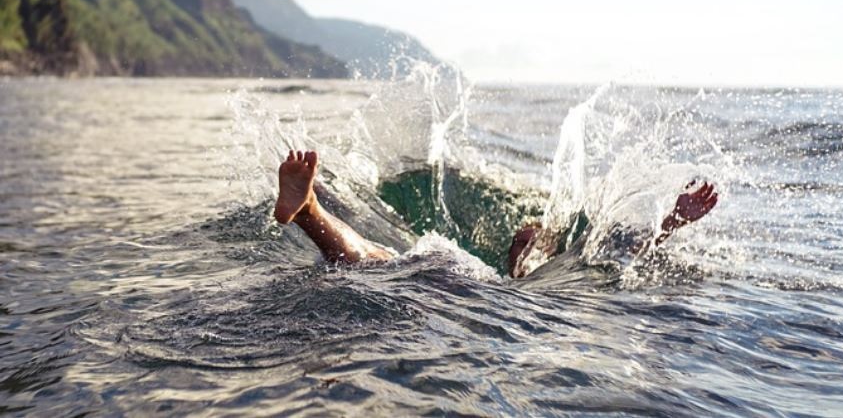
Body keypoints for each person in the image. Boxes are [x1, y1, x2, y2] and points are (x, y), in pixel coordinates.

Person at [274, 149, 719, 277]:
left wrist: (671, 221)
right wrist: (672, 221)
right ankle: (309, 209)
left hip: (455, 286)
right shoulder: (498, 277)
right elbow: (619, 252)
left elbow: (618, 249)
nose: (523, 240)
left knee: (378, 262)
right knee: (378, 260)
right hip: (459, 279)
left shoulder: (563, 270)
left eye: (530, 242)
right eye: (521, 240)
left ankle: (310, 210)